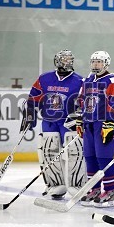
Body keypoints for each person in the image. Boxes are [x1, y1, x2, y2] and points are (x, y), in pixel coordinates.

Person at [20, 49, 85, 199]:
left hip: (68, 122)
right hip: (49, 121)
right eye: (64, 60)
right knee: (49, 151)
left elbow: (84, 102)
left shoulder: (80, 81)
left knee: (75, 152)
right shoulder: (44, 78)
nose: (67, 62)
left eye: (70, 59)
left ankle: (77, 184)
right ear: (57, 61)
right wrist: (30, 113)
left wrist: (80, 116)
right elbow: (33, 98)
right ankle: (55, 184)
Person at [78, 51, 114, 207]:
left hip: (104, 125)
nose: (96, 64)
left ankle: (109, 191)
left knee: (104, 158)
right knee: (90, 157)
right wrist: (79, 119)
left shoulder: (112, 81)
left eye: (99, 62)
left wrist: (110, 122)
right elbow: (81, 100)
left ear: (106, 64)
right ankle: (94, 189)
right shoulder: (87, 80)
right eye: (94, 62)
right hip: (88, 124)